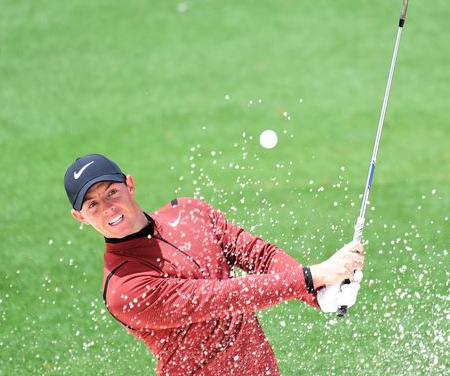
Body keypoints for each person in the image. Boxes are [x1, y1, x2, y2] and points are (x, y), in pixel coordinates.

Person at [64, 154, 364, 376]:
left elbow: (257, 255)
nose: (107, 208)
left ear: (129, 185)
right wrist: (312, 277)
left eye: (111, 192)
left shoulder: (189, 211)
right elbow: (221, 297)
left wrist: (319, 293)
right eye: (92, 204)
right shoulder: (124, 287)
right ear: (80, 218)